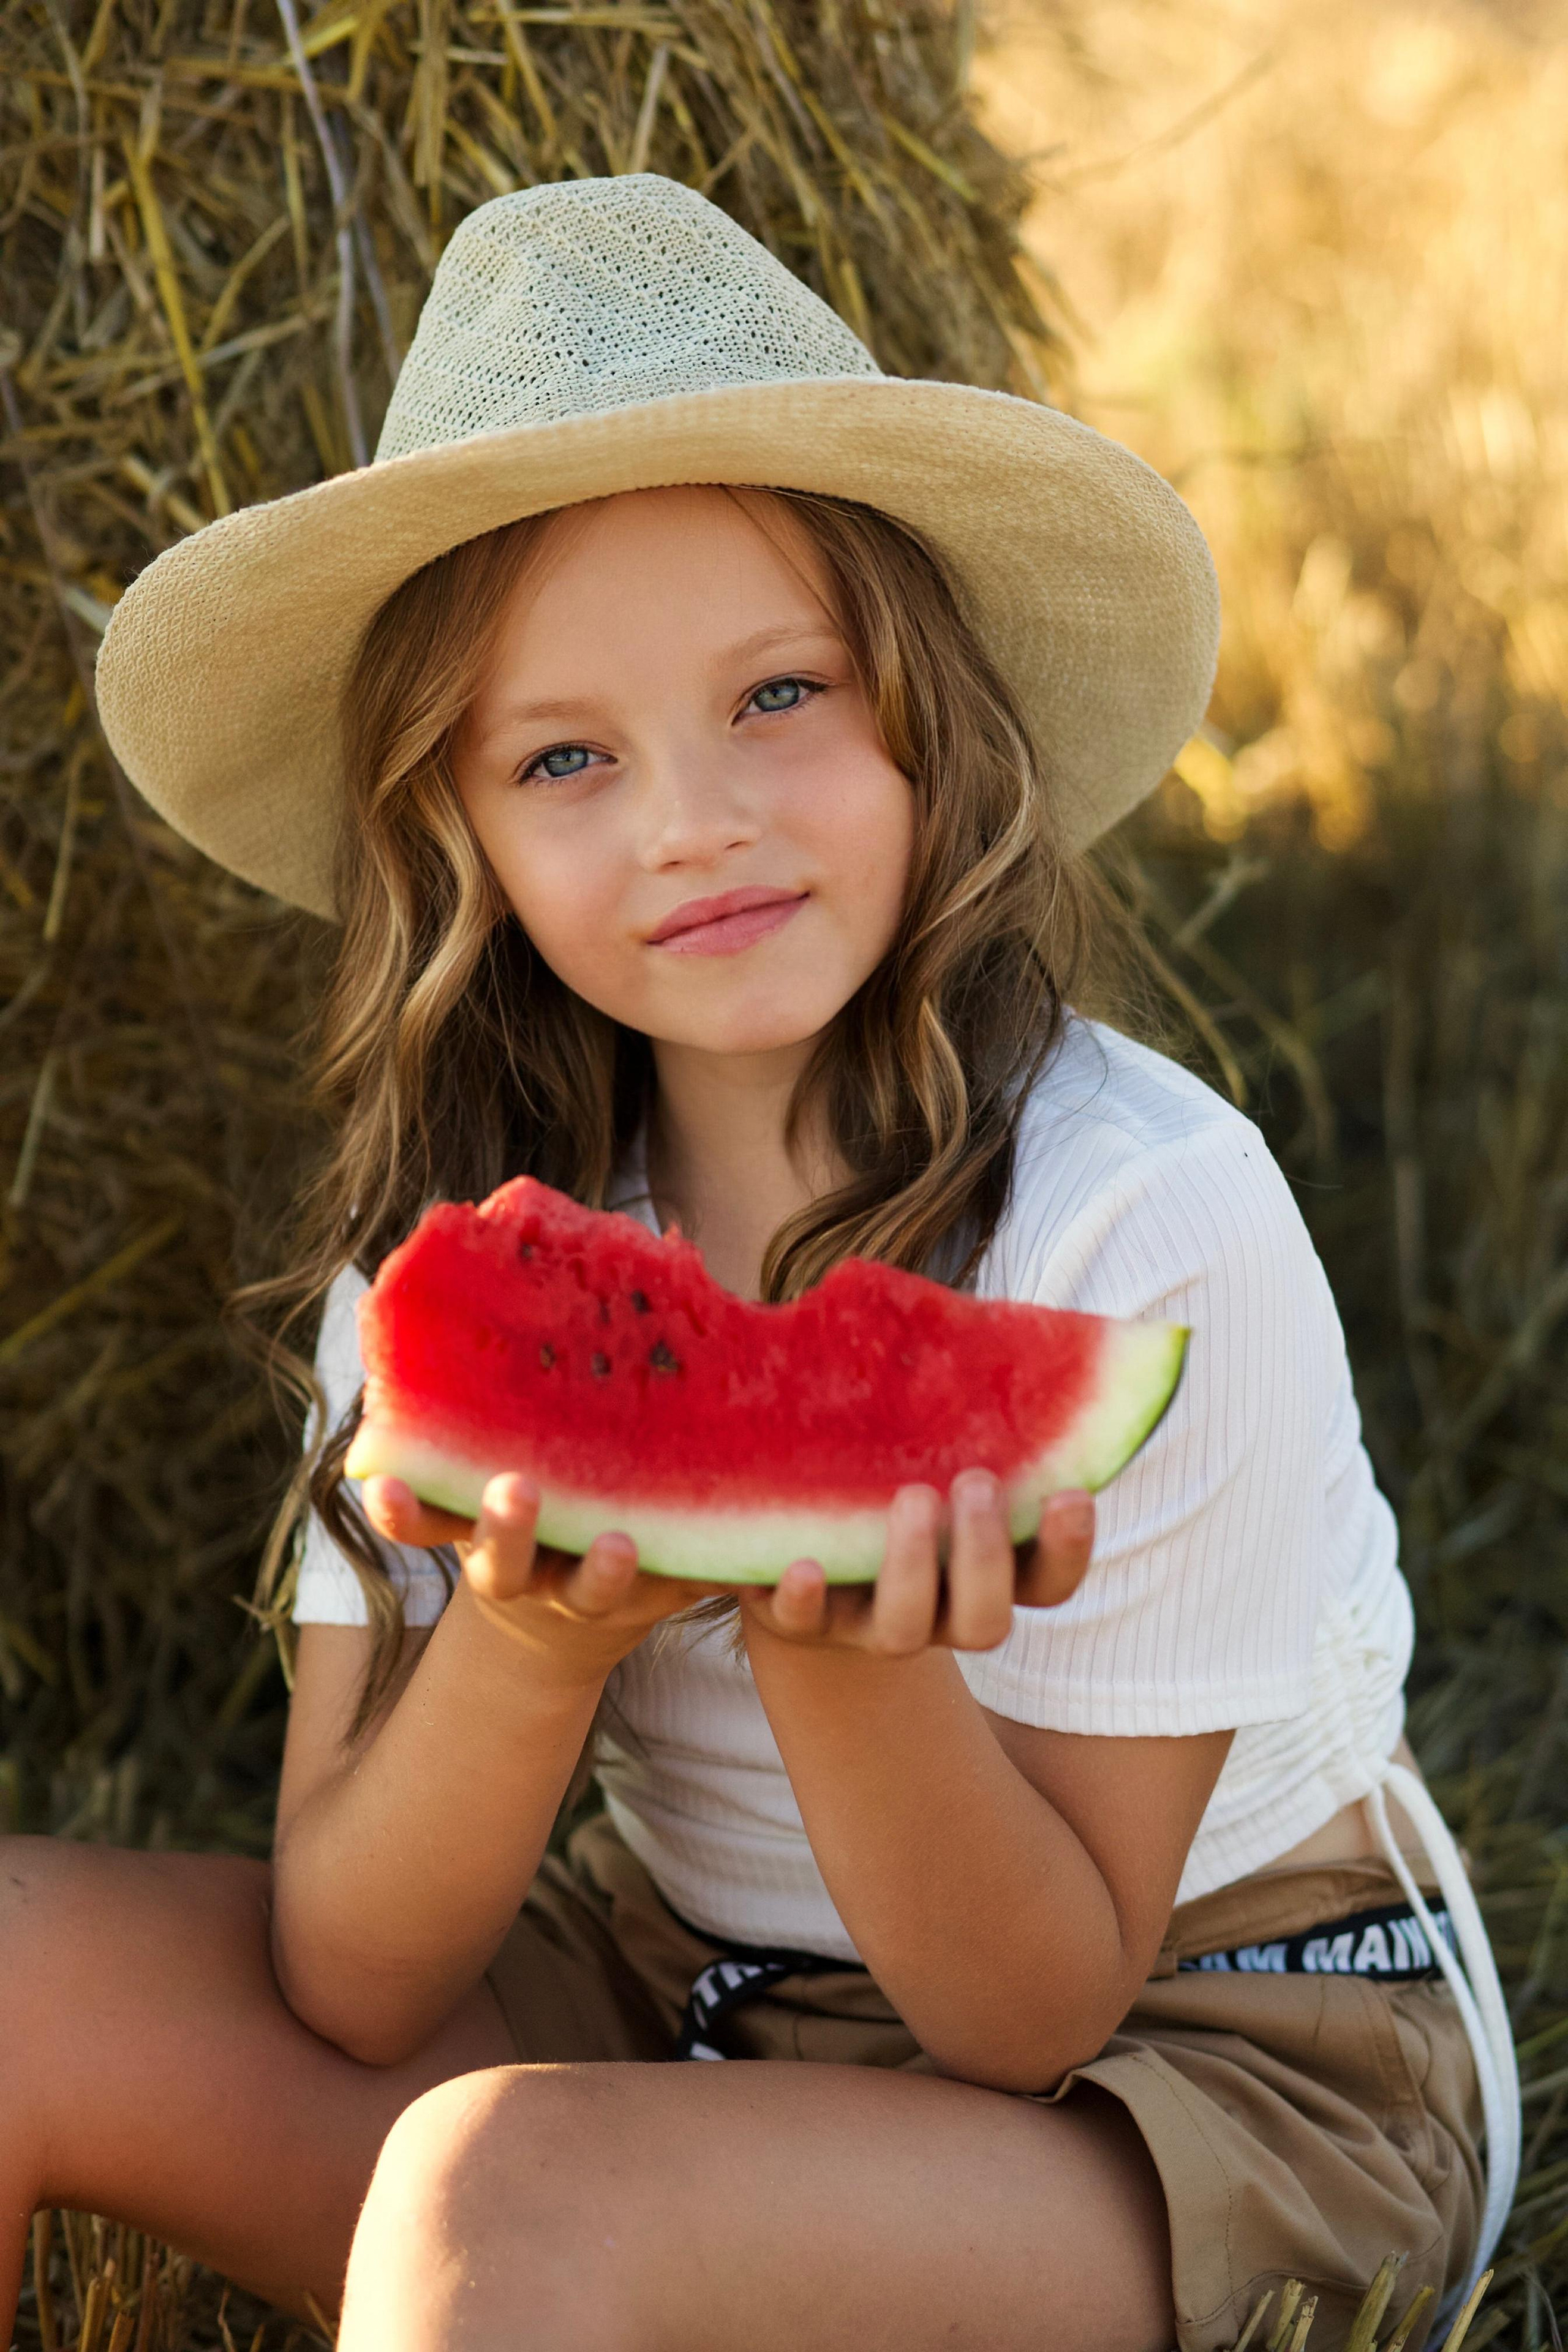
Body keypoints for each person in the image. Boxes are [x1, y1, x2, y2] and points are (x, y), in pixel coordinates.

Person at [8, 175, 1517, 2352]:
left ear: (930, 712)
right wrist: (524, 1651)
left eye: (779, 696)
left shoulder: (1143, 1220)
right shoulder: (446, 1271)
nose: (691, 822)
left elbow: (1026, 2012)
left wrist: (845, 1648)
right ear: (465, 841)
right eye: (564, 759)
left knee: (495, 2198)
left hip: (1200, 2067)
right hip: (684, 1994)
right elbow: (356, 1975)